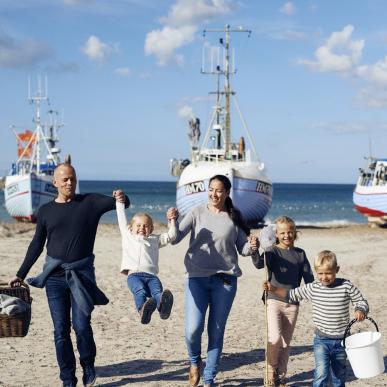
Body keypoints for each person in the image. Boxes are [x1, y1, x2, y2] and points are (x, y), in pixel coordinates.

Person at [8, 163, 129, 387]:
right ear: (55, 183)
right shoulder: (45, 211)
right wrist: (21, 274)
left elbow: (122, 203)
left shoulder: (90, 202)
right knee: (60, 330)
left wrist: (121, 196)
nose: (69, 183)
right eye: (64, 180)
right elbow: (36, 245)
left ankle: (88, 364)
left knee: (82, 326)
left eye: (72, 178)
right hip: (54, 277)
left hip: (81, 276)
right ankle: (67, 378)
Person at [171, 174, 259, 387]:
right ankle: (194, 362)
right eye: (211, 189)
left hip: (225, 281)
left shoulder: (233, 217)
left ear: (227, 193)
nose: (214, 194)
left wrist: (253, 246)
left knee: (216, 331)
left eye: (219, 190)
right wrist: (172, 220)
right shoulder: (196, 212)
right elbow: (175, 238)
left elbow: (243, 249)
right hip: (196, 278)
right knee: (193, 329)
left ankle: (209, 378)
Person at [263, 250, 369, 387]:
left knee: (339, 374)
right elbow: (291, 294)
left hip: (342, 341)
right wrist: (273, 289)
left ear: (337, 270)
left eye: (328, 273)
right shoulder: (313, 288)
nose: (324, 277)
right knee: (321, 373)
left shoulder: (346, 286)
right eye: (320, 273)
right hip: (321, 340)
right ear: (316, 272)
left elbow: (361, 301)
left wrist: (360, 309)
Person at [252, 216, 314, 386]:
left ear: (295, 233)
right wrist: (254, 250)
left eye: (290, 232)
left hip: (293, 303)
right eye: (282, 233)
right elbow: (259, 264)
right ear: (276, 235)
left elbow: (309, 280)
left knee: (286, 342)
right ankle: (270, 372)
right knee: (275, 338)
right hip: (273, 300)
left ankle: (281, 375)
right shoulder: (272, 251)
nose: (287, 235)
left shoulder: (300, 254)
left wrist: (317, 293)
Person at [116, 201, 178, 324]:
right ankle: (143, 311)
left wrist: (172, 220)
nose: (142, 228)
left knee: (157, 292)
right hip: (134, 276)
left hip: (152, 277)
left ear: (151, 229)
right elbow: (121, 218)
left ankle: (162, 308)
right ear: (131, 227)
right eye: (138, 225)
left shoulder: (155, 240)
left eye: (145, 226)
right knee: (140, 291)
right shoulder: (128, 236)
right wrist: (119, 203)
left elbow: (172, 235)